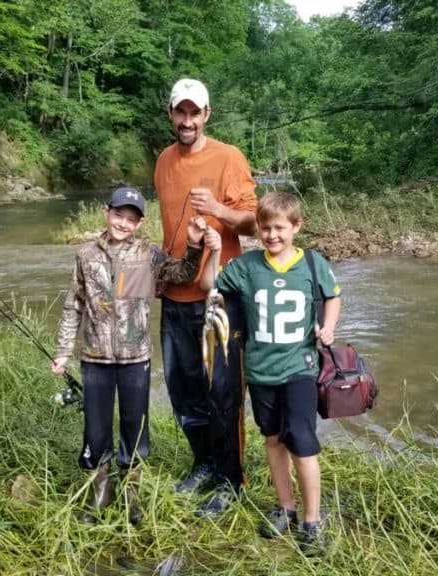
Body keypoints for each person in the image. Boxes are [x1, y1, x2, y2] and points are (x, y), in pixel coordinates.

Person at [50, 186, 220, 525]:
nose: (123, 224)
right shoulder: (85, 255)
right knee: (95, 427)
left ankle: (132, 492)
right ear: (106, 212)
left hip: (136, 357)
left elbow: (184, 274)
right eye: (118, 216)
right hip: (94, 356)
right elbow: (74, 305)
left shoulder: (149, 254)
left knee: (135, 425)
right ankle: (101, 490)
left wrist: (194, 243)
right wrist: (63, 351)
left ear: (140, 223)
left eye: (131, 219)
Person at [207, 191, 341, 553]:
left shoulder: (313, 264)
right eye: (265, 228)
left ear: (296, 227)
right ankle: (286, 506)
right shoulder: (247, 266)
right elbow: (210, 286)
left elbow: (333, 296)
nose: (272, 235)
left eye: (280, 228)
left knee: (302, 441)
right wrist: (216, 251)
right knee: (273, 439)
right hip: (260, 371)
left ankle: (312, 519)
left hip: (300, 368)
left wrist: (328, 327)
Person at [155, 77, 259, 518]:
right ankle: (204, 463)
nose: (187, 120)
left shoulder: (228, 157)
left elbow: (254, 223)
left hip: (219, 296)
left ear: (207, 116)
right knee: (183, 390)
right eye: (181, 112)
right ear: (171, 114)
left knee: (223, 392)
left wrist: (217, 210)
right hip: (174, 294)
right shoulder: (163, 160)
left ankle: (231, 480)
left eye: (195, 113)